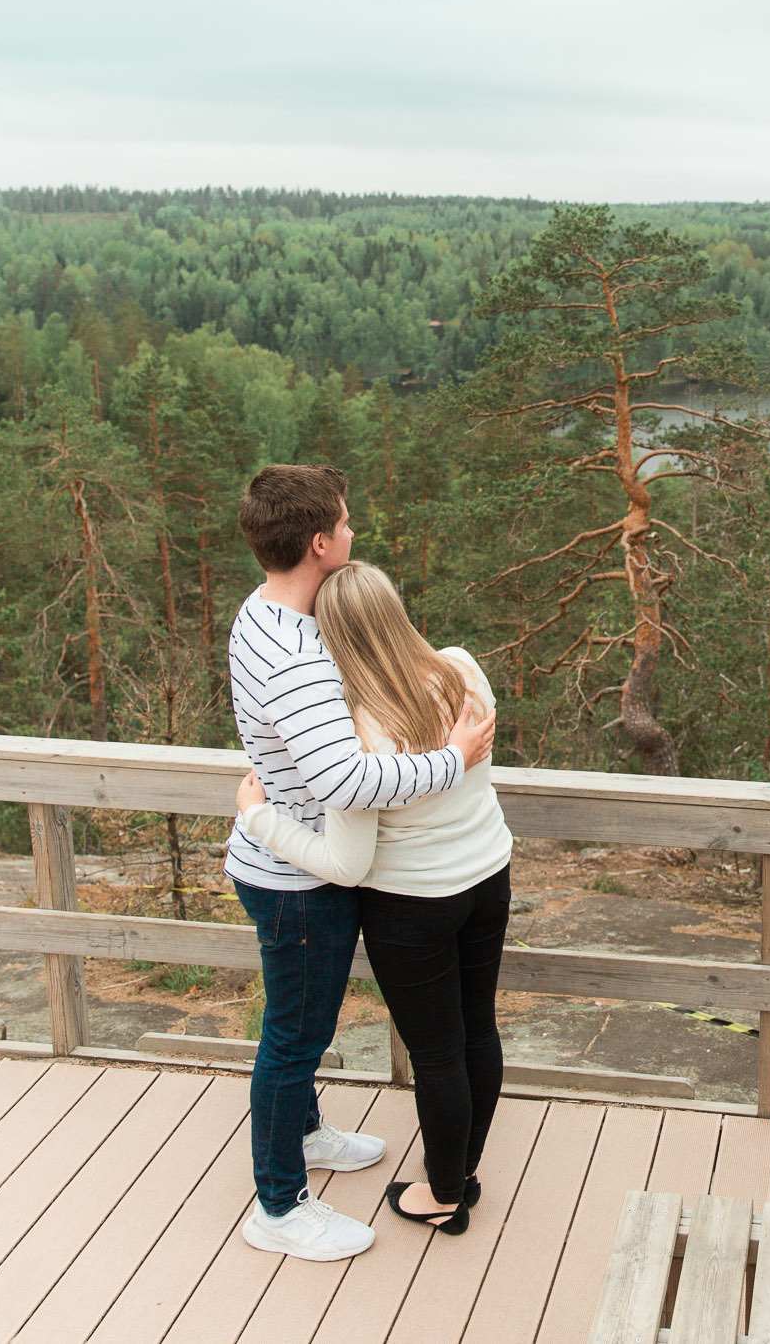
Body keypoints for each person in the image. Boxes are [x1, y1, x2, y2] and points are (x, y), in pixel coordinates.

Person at [228, 465, 496, 1263]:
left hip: (320, 860)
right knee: (292, 1042)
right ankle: (278, 1204)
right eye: (345, 522)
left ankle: (306, 1134)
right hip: (302, 878)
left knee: (304, 1034)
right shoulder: (303, 659)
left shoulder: (267, 612)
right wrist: (450, 758)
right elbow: (348, 780)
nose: (353, 531)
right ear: (319, 542)